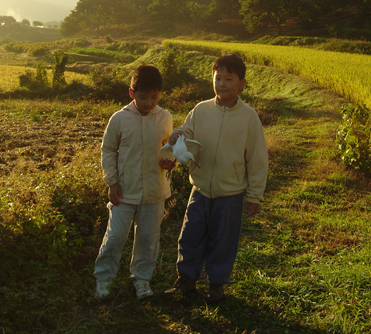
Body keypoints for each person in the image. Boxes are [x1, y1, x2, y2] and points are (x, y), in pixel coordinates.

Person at [166, 54, 268, 303]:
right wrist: (178, 133)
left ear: (241, 83)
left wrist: (255, 195)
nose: (222, 84)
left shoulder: (249, 117)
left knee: (223, 241)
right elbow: (187, 131)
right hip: (199, 189)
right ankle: (186, 280)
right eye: (218, 78)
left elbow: (257, 158)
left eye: (229, 79)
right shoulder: (201, 110)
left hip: (231, 194)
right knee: (190, 234)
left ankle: (216, 285)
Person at [94, 64, 174, 300]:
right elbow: (108, 149)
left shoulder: (165, 117)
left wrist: (171, 162)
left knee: (148, 240)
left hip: (154, 191)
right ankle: (104, 280)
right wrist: (112, 181)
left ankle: (141, 279)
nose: (149, 102)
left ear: (160, 94)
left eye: (154, 97)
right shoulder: (119, 119)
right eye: (143, 97)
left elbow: (169, 148)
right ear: (131, 93)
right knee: (115, 236)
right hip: (124, 191)